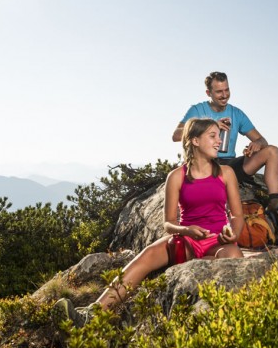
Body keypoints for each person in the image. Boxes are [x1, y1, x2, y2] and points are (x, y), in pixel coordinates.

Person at [54, 118, 244, 328]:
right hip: (187, 240)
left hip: (218, 241)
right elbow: (169, 223)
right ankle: (91, 315)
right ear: (195, 140)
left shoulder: (226, 173)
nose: (219, 141)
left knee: (234, 256)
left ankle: (189, 272)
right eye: (213, 136)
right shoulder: (176, 177)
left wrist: (233, 234)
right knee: (144, 257)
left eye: (219, 136)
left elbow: (237, 215)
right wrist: (186, 230)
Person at [172, 71, 278, 211]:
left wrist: (257, 144)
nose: (224, 95)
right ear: (208, 93)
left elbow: (262, 140)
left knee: (272, 151)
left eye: (227, 90)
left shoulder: (236, 113)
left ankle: (274, 202)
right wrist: (208, 127)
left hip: (229, 166)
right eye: (219, 92)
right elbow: (176, 136)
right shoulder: (197, 110)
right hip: (203, 163)